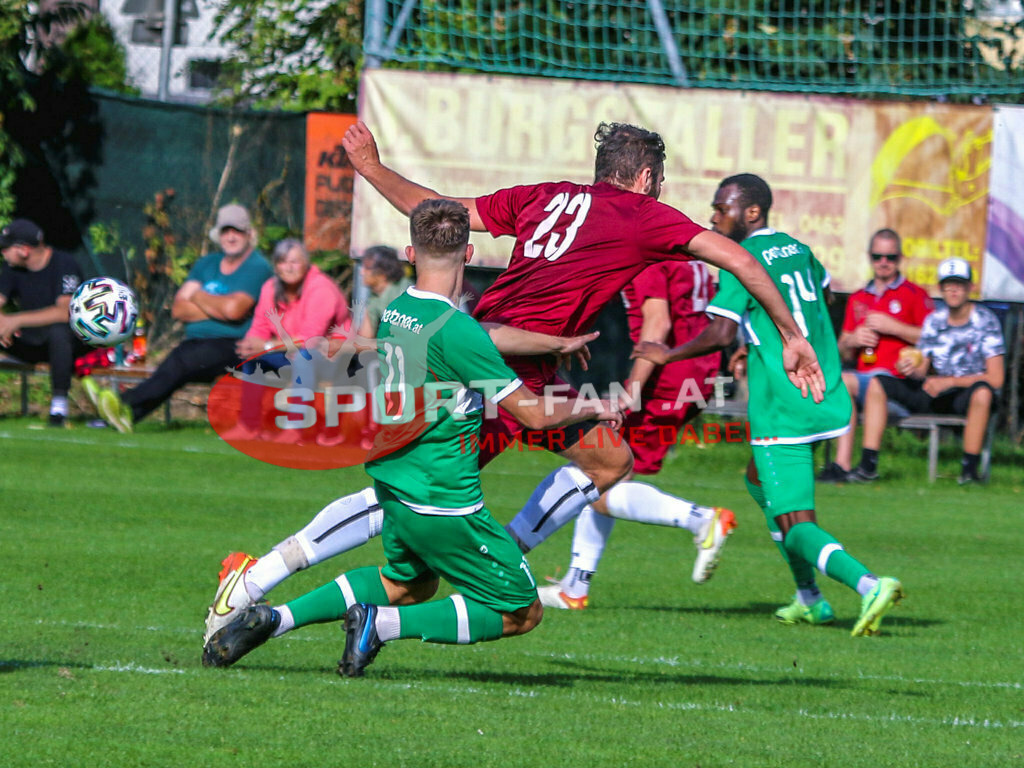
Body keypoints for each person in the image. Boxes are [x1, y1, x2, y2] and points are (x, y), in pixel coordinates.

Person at [202, 121, 823, 647]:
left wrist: (370, 166)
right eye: (658, 180)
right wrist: (792, 335)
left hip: (496, 349)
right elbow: (742, 258)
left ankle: (498, 555)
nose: (661, 190)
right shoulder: (643, 213)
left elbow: (435, 212)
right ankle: (254, 580)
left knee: (606, 457)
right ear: (642, 179)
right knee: (404, 497)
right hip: (492, 366)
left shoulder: (545, 195)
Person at [202, 198, 622, 674]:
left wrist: (551, 343)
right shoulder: (459, 331)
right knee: (522, 612)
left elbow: (472, 342)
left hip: (396, 492)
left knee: (408, 585)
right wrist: (593, 405)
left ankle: (272, 619)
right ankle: (379, 627)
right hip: (446, 503)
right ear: (469, 256)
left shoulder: (399, 311)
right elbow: (534, 417)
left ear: (409, 253)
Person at [635, 173, 904, 637]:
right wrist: (758, 340)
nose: (715, 217)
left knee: (795, 522)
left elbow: (719, 332)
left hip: (784, 402)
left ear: (752, 212)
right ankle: (809, 598)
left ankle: (868, 584)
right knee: (759, 483)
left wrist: (667, 353)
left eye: (723, 208)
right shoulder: (797, 249)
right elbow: (823, 296)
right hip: (825, 392)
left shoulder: (742, 259)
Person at [538, 261, 735, 610]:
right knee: (603, 475)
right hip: (696, 374)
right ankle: (575, 587)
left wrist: (631, 393)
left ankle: (702, 520)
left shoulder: (652, 257)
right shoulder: (682, 254)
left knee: (600, 474)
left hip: (670, 377)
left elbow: (657, 325)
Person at [96, 204, 272, 432]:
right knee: (180, 363)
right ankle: (127, 415)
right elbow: (179, 308)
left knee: (181, 361)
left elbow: (234, 312)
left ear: (249, 233)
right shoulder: (206, 263)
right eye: (226, 231)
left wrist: (197, 296)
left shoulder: (257, 267)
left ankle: (122, 404)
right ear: (218, 234)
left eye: (237, 231)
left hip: (237, 346)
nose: (231, 237)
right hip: (197, 344)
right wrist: (220, 305)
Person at [850, 257, 1005, 485]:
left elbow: (996, 378)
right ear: (941, 289)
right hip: (935, 391)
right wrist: (911, 368)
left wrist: (950, 382)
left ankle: (969, 472)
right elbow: (923, 369)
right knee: (879, 382)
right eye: (948, 284)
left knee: (983, 392)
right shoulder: (934, 320)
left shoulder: (986, 321)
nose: (953, 290)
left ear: (970, 288)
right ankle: (867, 466)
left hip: (964, 394)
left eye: (960, 284)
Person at [819, 229, 932, 481]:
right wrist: (853, 339)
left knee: (876, 384)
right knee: (839, 380)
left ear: (900, 258)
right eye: (878, 256)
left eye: (890, 257)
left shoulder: (915, 295)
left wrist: (895, 328)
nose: (884, 262)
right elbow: (842, 348)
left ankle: (868, 465)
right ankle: (842, 465)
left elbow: (933, 340)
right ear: (870, 257)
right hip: (863, 377)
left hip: (897, 382)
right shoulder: (859, 297)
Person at [224, 238, 349, 440]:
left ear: (306, 264)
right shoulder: (270, 288)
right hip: (291, 353)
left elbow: (311, 339)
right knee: (254, 359)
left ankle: (295, 428)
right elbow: (259, 327)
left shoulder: (321, 288)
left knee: (304, 357)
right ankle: (248, 425)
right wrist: (251, 345)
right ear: (276, 266)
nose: (288, 268)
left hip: (333, 359)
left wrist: (266, 345)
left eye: (295, 262)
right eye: (283, 262)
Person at [0, 218, 88, 426]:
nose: (2, 253)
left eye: (5, 248)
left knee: (59, 331)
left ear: (23, 250)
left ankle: (58, 407)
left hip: (66, 347)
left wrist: (15, 320)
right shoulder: (12, 268)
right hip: (30, 343)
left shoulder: (64, 264)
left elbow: (65, 312)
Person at [356, 244, 412, 338]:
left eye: (367, 268)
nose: (361, 272)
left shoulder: (405, 292)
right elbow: (364, 338)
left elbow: (404, 341)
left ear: (383, 272)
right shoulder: (375, 297)